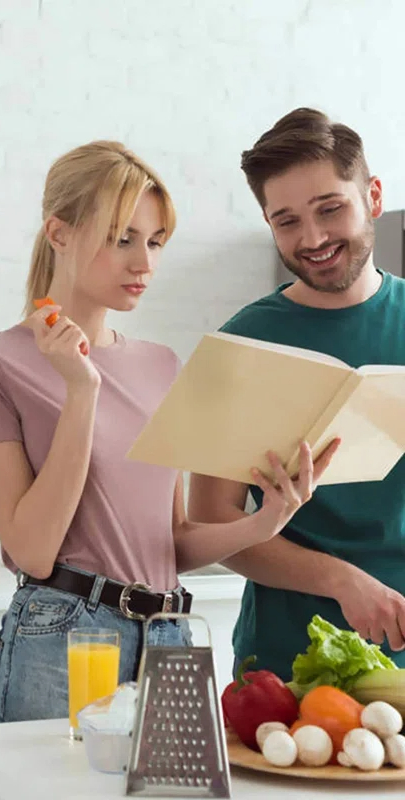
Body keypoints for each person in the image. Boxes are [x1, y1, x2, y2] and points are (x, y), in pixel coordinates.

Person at [0, 140, 338, 725]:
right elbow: (31, 551)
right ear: (59, 232)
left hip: (171, 638)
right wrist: (81, 392)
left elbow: (170, 541)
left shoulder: (160, 364)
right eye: (121, 238)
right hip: (67, 634)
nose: (144, 263)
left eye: (154, 242)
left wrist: (265, 521)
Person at [188, 108, 405, 680]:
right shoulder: (240, 345)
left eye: (330, 209)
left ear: (373, 196)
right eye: (286, 221)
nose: (312, 239)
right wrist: (340, 578)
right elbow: (211, 525)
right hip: (285, 667)